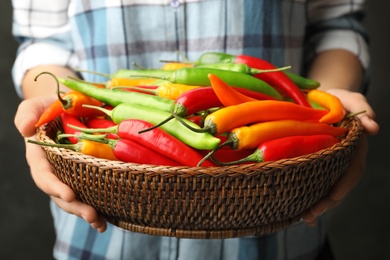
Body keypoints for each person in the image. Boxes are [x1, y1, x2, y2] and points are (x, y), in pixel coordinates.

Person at [12, 0, 380, 259]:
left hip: (281, 232)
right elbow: (45, 45)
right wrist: (56, 105)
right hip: (101, 238)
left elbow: (336, 26)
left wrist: (330, 102)